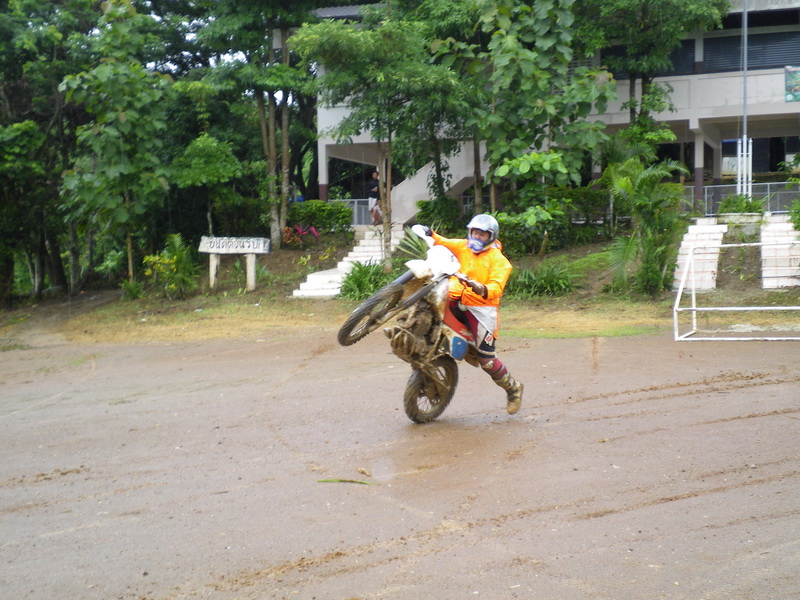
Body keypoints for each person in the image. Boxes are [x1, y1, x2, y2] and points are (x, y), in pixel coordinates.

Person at [421, 214, 524, 414]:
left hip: (481, 309)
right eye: (474, 232)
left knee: (487, 360)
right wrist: (430, 233)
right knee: (429, 307)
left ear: (491, 237)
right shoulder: (463, 246)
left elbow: (496, 287)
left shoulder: (500, 261)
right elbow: (443, 242)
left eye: (482, 234)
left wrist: (482, 289)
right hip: (455, 297)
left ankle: (513, 388)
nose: (477, 237)